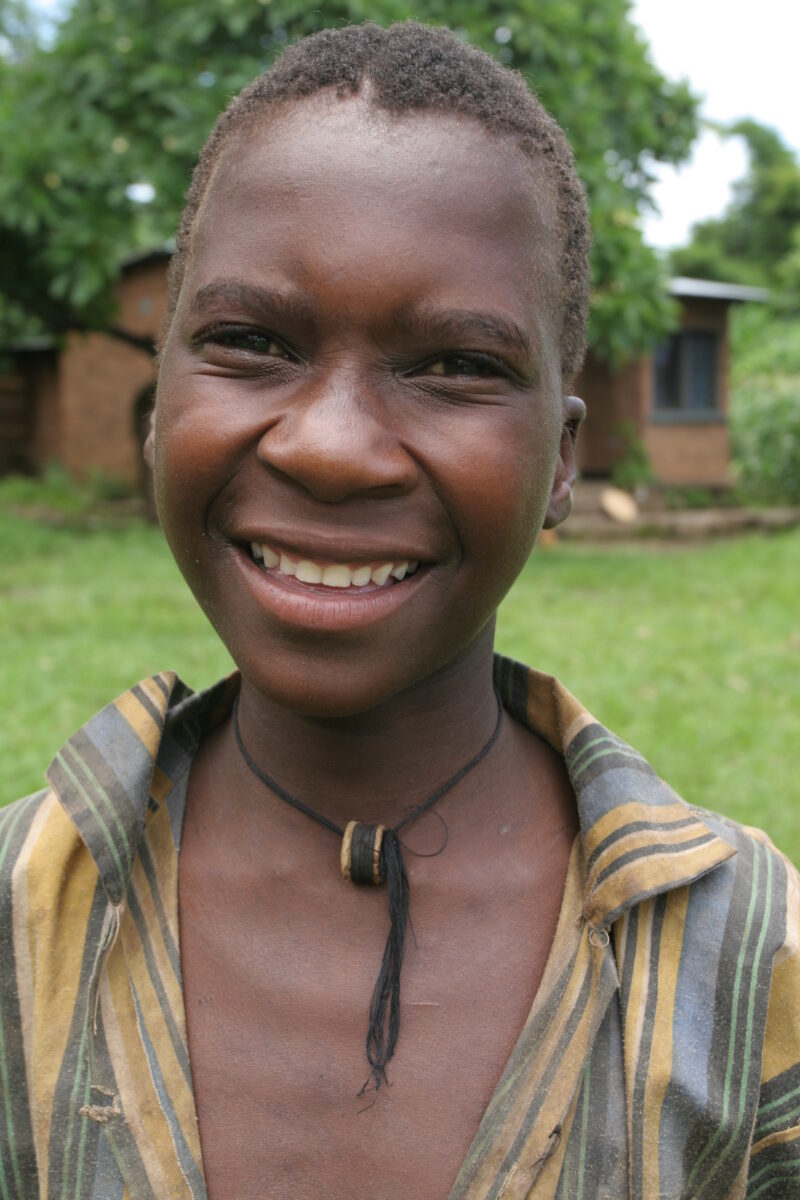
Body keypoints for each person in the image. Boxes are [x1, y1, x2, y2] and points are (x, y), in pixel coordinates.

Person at [1, 21, 798, 1200]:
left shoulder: (750, 967)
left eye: (454, 367)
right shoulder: (22, 924)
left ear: (564, 461)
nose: (330, 448)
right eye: (250, 343)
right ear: (158, 400)